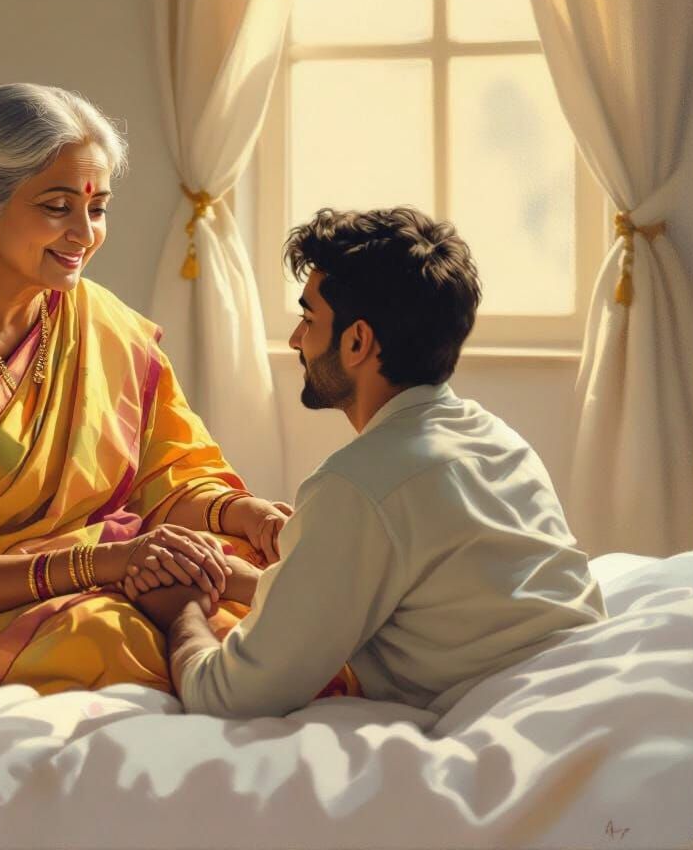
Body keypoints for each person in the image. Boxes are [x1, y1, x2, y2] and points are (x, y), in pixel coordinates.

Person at [0, 82, 364, 698]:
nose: (85, 233)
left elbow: (164, 478)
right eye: (57, 207)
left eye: (98, 208)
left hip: (87, 561)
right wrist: (109, 564)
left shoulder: (94, 319)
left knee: (252, 564)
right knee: (118, 636)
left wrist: (248, 515)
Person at [128, 206, 607, 718]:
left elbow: (227, 695)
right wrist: (240, 576)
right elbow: (394, 589)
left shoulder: (356, 487)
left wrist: (181, 612)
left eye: (309, 320)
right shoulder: (494, 437)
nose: (295, 340)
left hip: (525, 720)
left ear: (357, 342)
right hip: (583, 681)